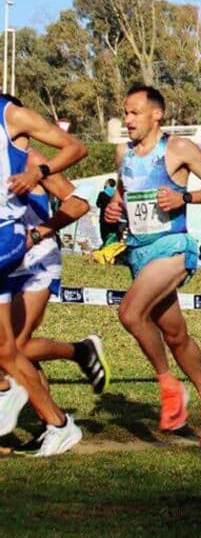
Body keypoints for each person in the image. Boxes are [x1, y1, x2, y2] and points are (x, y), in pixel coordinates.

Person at [103, 85, 201, 447]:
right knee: (176, 335)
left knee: (130, 313)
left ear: (156, 114)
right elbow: (123, 195)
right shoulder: (124, 155)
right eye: (126, 112)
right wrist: (115, 208)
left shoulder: (176, 149)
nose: (127, 119)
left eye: (133, 113)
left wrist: (184, 196)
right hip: (140, 252)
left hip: (173, 247)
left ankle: (169, 386)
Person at [0, 144, 105, 453]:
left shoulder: (31, 160)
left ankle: (79, 356)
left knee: (14, 348)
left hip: (37, 261)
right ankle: (52, 422)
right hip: (6, 260)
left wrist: (38, 233)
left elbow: (78, 203)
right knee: (12, 348)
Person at [96, 177, 119, 246]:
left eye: (105, 183)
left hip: (104, 219)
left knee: (104, 236)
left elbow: (98, 204)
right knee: (114, 236)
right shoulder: (116, 194)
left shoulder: (102, 194)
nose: (104, 184)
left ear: (108, 184)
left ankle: (106, 250)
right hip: (115, 219)